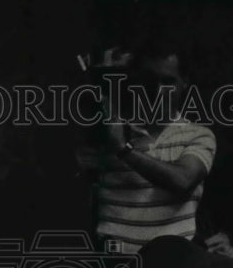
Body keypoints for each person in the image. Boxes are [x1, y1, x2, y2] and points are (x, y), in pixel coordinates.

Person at [78, 44, 217, 253]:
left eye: (168, 81)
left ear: (185, 82)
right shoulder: (108, 131)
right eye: (150, 81)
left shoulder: (199, 135)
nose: (159, 90)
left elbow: (183, 181)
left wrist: (123, 150)